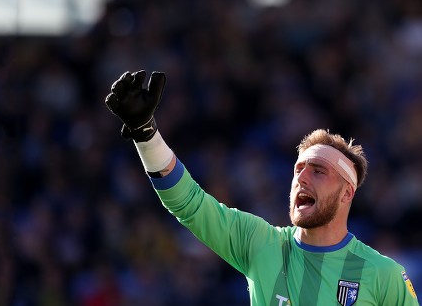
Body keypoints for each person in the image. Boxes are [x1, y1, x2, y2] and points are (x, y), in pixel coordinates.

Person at [105, 70, 419, 306]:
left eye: (318, 171)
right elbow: (187, 202)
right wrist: (145, 134)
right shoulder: (261, 243)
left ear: (347, 193)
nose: (302, 178)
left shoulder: (383, 275)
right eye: (299, 169)